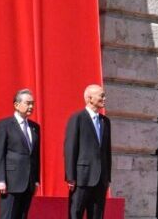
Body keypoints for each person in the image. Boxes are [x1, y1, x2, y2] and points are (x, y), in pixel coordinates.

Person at [65, 84, 111, 219]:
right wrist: (70, 176)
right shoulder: (77, 118)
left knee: (97, 215)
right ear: (90, 98)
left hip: (100, 180)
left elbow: (107, 151)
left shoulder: (105, 121)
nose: (104, 98)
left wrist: (108, 177)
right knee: (76, 213)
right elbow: (70, 148)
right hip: (81, 178)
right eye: (101, 96)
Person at [0, 89, 40, 219]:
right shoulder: (4, 125)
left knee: (22, 215)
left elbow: (35, 155)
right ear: (16, 105)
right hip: (11, 181)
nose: (31, 107)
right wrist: (0, 179)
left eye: (32, 104)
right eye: (28, 103)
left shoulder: (35, 127)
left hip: (28, 182)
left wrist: (36, 180)